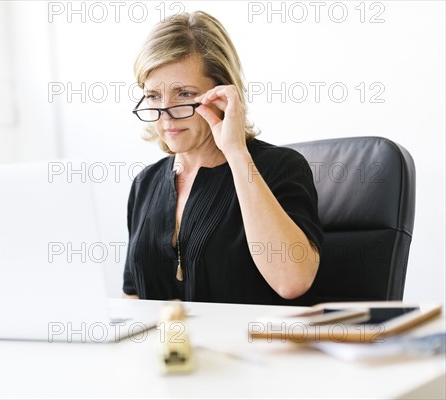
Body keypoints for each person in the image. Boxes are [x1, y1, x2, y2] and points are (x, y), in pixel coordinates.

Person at [122, 11, 323, 305]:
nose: (165, 114)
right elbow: (134, 296)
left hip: (254, 349)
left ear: (222, 94)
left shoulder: (280, 168)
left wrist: (235, 151)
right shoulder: (146, 183)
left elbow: (292, 281)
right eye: (153, 96)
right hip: (173, 350)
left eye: (183, 93)